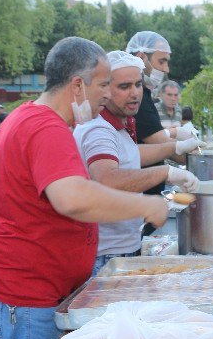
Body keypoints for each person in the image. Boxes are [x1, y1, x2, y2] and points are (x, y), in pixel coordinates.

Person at [0, 37, 169, 339]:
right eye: (103, 84)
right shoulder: (45, 127)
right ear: (77, 85)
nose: (107, 94)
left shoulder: (31, 117)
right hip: (23, 295)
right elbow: (73, 197)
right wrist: (145, 205)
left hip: (28, 289)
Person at [74, 51, 200, 274]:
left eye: (138, 84)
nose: (134, 94)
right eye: (124, 87)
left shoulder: (116, 125)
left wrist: (175, 147)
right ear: (104, 88)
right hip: (106, 254)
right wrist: (166, 172)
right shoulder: (99, 129)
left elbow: (130, 156)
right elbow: (108, 178)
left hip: (121, 246)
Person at [126, 31, 197, 198]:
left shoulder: (145, 94)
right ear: (142, 58)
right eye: (161, 61)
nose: (166, 69)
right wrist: (205, 160)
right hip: (139, 199)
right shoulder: (139, 98)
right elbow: (161, 144)